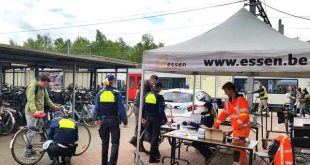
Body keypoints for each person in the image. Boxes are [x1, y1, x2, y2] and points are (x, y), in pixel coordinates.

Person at [93, 75, 128, 165]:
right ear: (112, 81)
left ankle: (104, 163)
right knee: (115, 143)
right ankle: (112, 163)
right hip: (114, 121)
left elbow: (96, 108)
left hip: (103, 121)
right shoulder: (116, 93)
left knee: (104, 143)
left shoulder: (100, 93)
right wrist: (125, 121)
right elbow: (121, 109)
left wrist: (96, 118)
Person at [213, 82, 250, 165]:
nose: (225, 93)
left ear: (232, 90)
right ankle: (238, 163)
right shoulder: (228, 102)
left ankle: (241, 163)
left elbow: (244, 116)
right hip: (236, 129)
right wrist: (214, 127)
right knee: (236, 148)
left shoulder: (242, 100)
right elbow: (222, 115)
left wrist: (233, 128)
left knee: (239, 149)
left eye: (226, 91)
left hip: (243, 129)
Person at [24, 74, 59, 159]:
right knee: (31, 133)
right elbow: (30, 101)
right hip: (32, 113)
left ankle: (33, 148)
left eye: (47, 84)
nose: (46, 86)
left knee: (40, 131)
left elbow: (47, 99)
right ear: (41, 81)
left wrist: (54, 106)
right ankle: (27, 153)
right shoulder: (32, 86)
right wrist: (35, 112)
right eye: (45, 84)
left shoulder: (43, 88)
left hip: (40, 113)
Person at [129, 74, 159, 147]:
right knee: (139, 125)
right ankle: (135, 141)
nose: (155, 83)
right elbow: (145, 99)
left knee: (142, 125)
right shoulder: (145, 86)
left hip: (141, 107)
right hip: (138, 107)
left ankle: (136, 141)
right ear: (151, 79)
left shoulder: (149, 86)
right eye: (154, 81)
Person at [142, 81, 167, 163]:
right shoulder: (159, 97)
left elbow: (143, 108)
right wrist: (165, 120)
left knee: (151, 137)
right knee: (154, 138)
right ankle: (152, 158)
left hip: (148, 119)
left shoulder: (147, 95)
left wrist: (143, 117)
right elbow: (161, 111)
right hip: (155, 119)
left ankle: (156, 154)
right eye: (161, 88)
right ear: (158, 88)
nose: (161, 89)